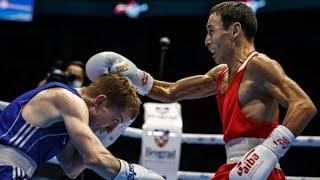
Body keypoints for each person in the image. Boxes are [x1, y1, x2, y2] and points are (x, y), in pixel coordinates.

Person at [85, 1, 317, 179]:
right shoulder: (221, 74)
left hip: (263, 171)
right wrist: (134, 76)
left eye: (212, 31)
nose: (206, 40)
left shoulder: (259, 65)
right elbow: (171, 92)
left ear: (235, 30)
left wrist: (268, 152)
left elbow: (304, 105)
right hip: (233, 168)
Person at [0, 73, 164, 179]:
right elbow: (94, 158)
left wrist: (99, 138)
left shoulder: (68, 120)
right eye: (116, 119)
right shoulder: (69, 100)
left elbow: (71, 167)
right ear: (100, 101)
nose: (111, 129)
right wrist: (136, 175)